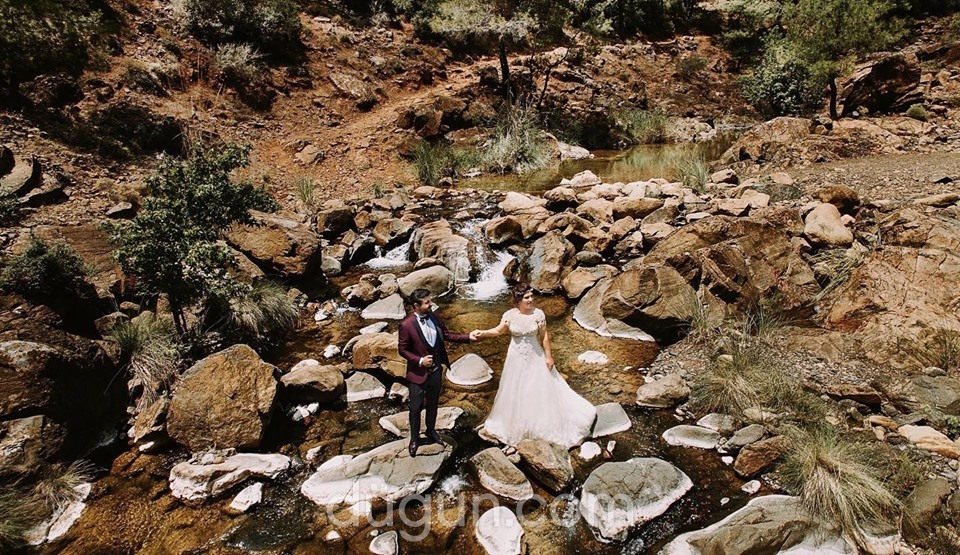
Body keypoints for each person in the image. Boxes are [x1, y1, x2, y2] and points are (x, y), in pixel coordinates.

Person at [472, 283, 597, 448]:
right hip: (515, 357)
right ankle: (517, 426)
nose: (531, 300)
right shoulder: (509, 315)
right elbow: (498, 331)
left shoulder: (538, 314)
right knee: (514, 389)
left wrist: (549, 357)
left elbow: (544, 337)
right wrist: (482, 333)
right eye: (527, 298)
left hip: (535, 356)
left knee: (538, 388)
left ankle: (540, 426)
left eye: (531, 296)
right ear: (518, 300)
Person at [398, 288, 477, 457]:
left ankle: (431, 430)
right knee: (415, 408)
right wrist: (420, 361)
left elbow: (447, 335)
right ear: (416, 305)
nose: (431, 304)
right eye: (427, 302)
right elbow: (402, 350)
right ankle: (414, 439)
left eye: (430, 300)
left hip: (435, 372)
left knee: (433, 404)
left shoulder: (435, 316)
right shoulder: (406, 325)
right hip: (418, 374)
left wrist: (468, 337)